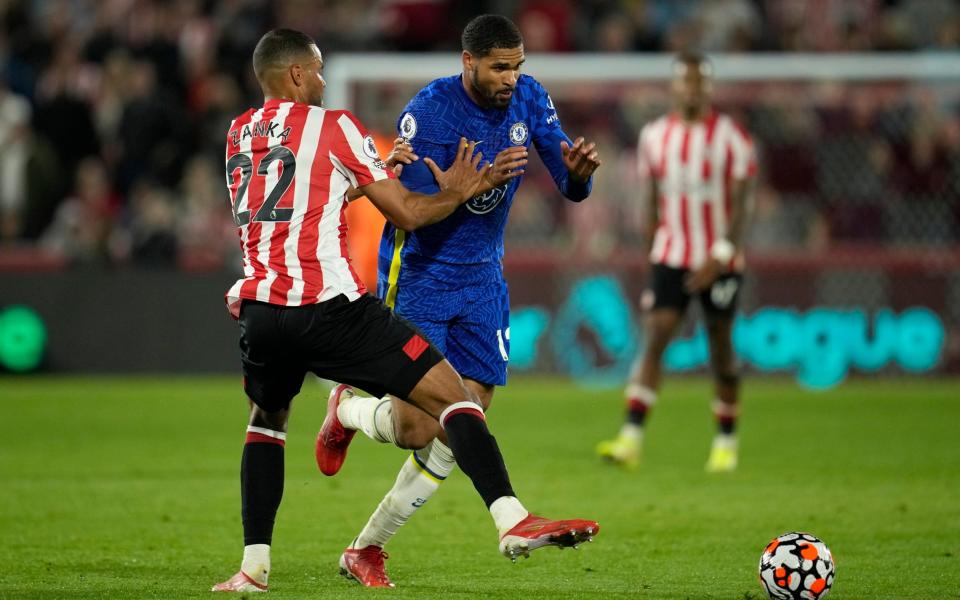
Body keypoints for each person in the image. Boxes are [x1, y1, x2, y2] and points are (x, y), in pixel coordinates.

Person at [211, 28, 598, 593]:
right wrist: (464, 188)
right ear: (297, 73)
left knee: (268, 425)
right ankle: (505, 515)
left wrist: (578, 179)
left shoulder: (237, 133)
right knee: (439, 413)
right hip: (356, 296)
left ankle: (267, 565)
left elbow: (295, 201)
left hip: (263, 308)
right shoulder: (365, 121)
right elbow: (410, 212)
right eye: (317, 70)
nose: (323, 79)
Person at [596, 52, 756, 472]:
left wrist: (720, 256)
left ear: (708, 87)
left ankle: (726, 443)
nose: (691, 89)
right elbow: (650, 201)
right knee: (656, 336)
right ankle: (630, 439)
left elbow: (743, 205)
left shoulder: (731, 137)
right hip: (671, 254)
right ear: (674, 86)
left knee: (720, 347)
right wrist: (654, 254)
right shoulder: (655, 136)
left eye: (699, 82)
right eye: (684, 82)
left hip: (719, 259)